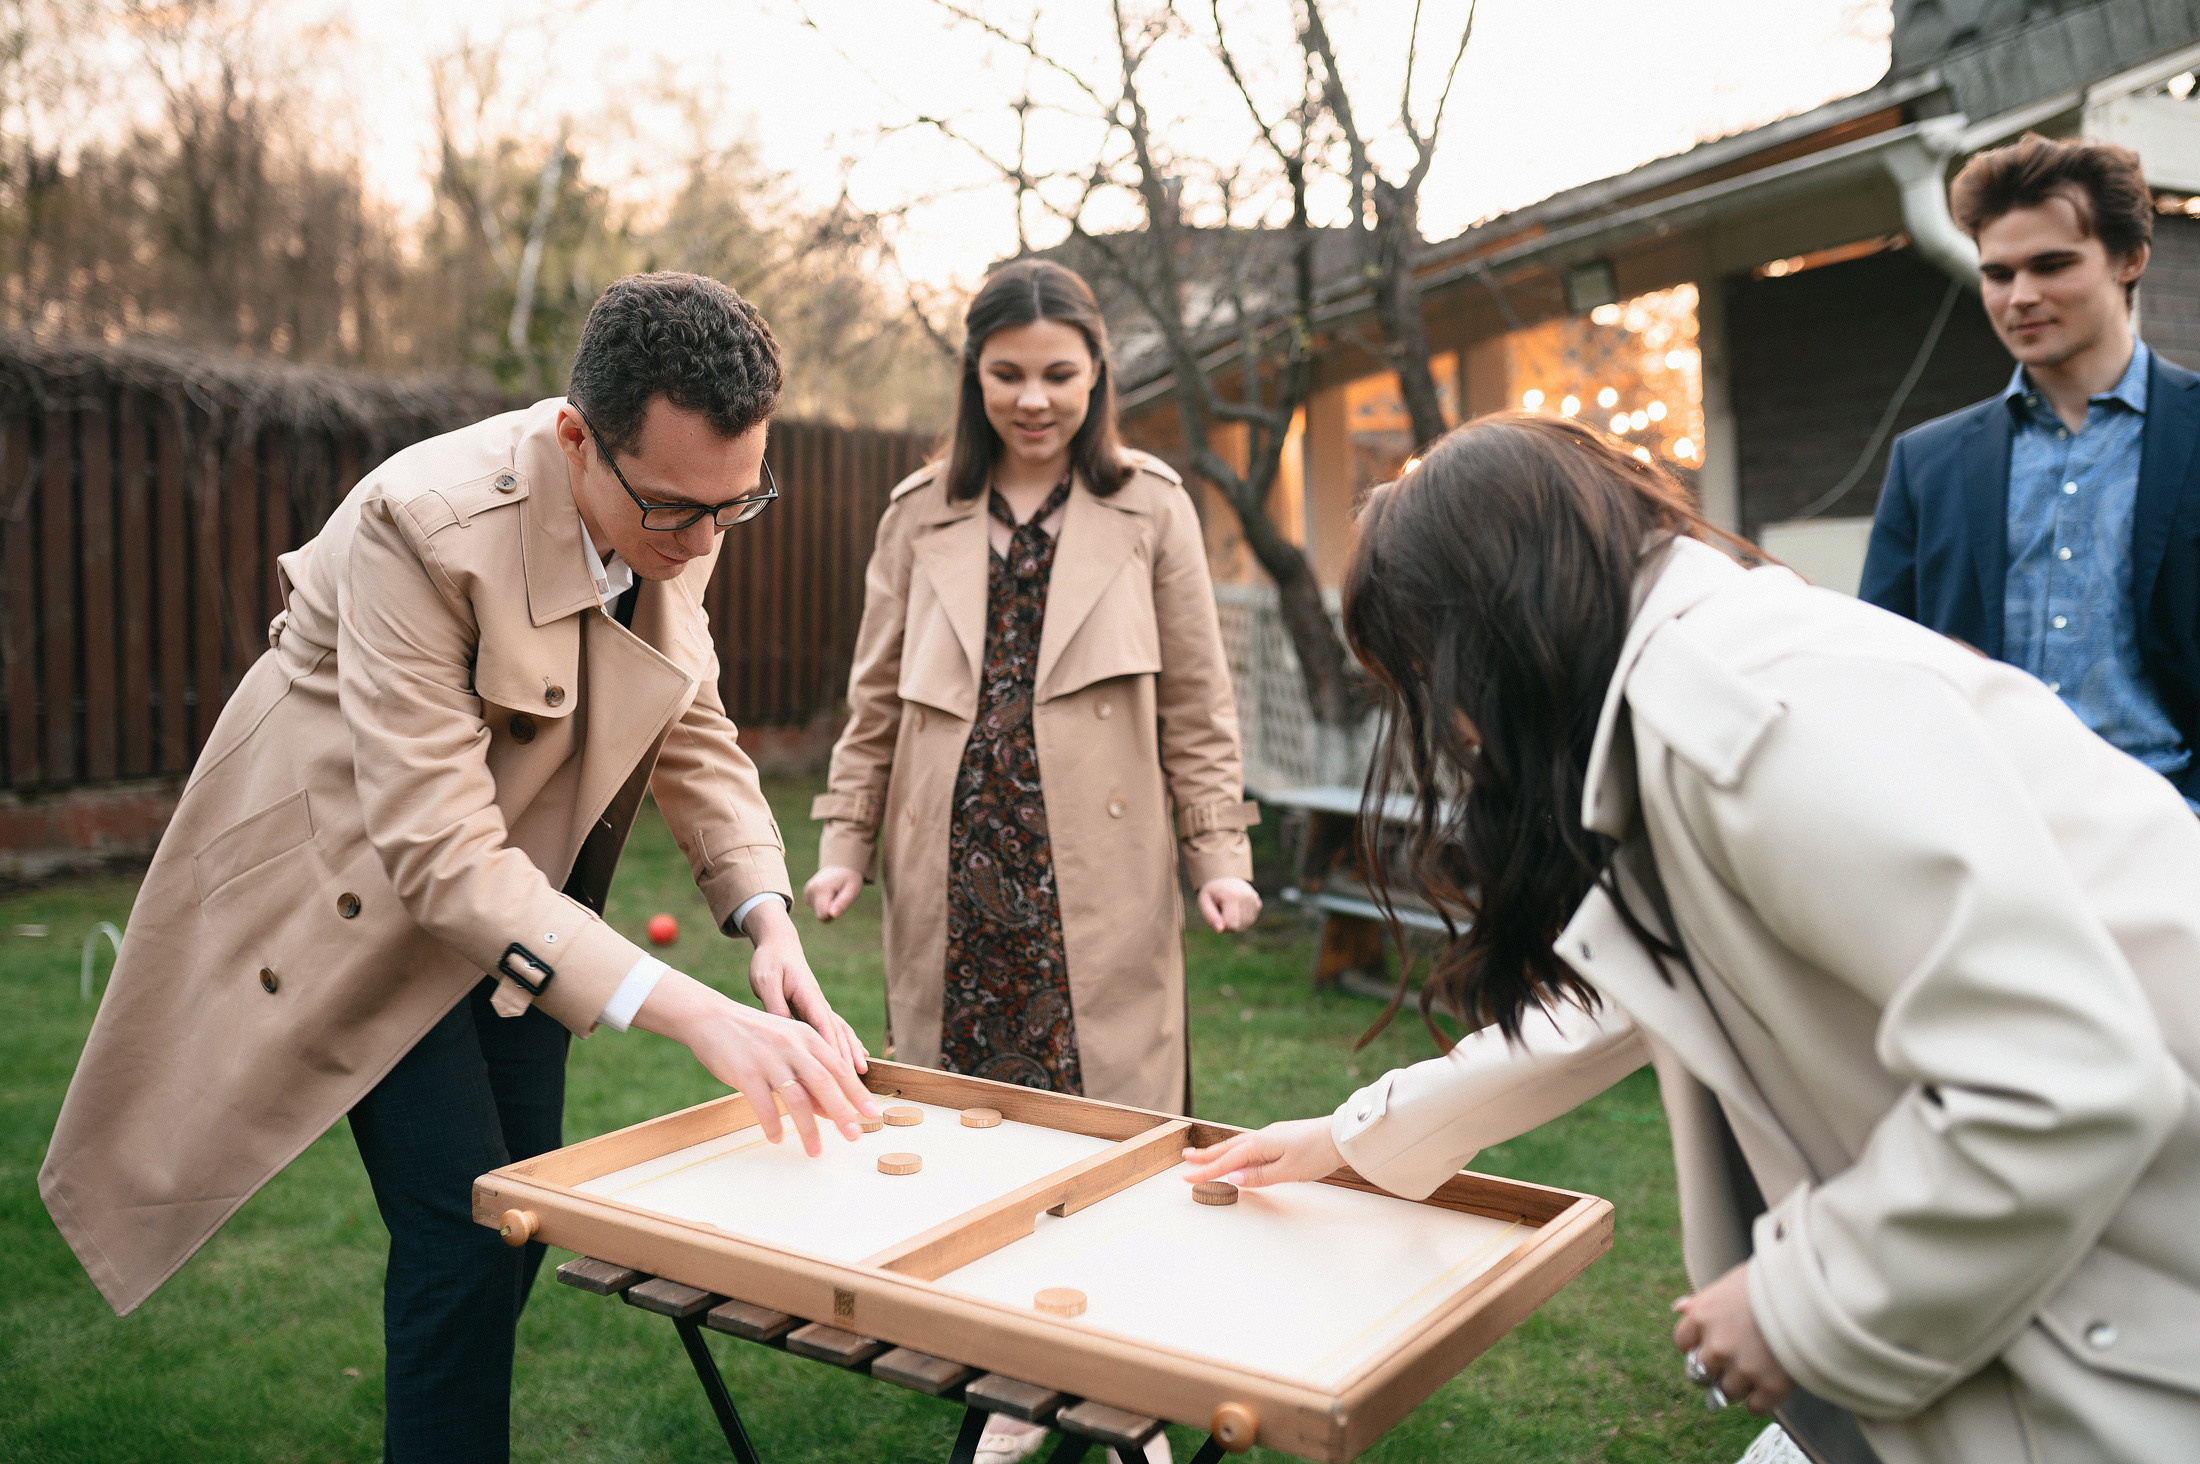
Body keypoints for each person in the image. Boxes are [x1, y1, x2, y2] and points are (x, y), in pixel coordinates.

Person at [1182, 414, 2200, 1464]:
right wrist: (1353, 1140)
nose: (1458, 735)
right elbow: (1619, 1001)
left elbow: (2063, 1070)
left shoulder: (1744, 716)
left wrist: (1799, 1302)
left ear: (1489, 631)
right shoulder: (1683, 689)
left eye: (1433, 681)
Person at [40, 273, 878, 1463]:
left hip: (526, 900)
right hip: (361, 890)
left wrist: (766, 921)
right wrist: (697, 1015)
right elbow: (433, 855)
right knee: (460, 1234)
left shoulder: (682, 497)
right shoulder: (418, 525)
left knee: (512, 1224)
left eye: (734, 511)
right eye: (678, 514)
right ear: (578, 439)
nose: (700, 545)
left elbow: (689, 719)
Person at [806, 258, 1260, 1464]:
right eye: (1007, 373)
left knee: (1115, 1137)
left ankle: (1122, 1394)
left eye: (1058, 373)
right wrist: (845, 838)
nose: (1034, 398)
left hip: (1098, 889)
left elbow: (1201, 705)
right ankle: (1010, 1385)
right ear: (975, 374)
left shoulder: (1151, 506)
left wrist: (1218, 848)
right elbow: (871, 703)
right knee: (980, 1139)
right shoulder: (920, 512)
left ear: (1096, 372)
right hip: (954, 879)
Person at [1860, 133, 2200, 814]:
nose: (2020, 296)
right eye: (1999, 273)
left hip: (2175, 833)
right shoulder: (1928, 463)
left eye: (2051, 265)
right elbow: (1879, 669)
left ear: (2130, 259)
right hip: (1993, 839)